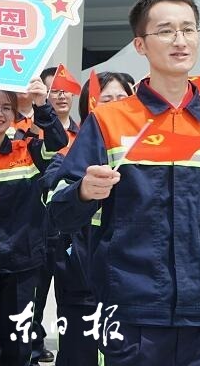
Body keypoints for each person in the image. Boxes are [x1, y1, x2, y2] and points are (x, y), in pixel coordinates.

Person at [48, 0, 200, 365]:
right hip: (131, 313)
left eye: (189, 29)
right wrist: (83, 192)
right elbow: (57, 210)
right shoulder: (109, 121)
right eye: (165, 31)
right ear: (140, 45)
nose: (180, 40)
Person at [0, 82, 67, 366]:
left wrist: (41, 104)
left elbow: (57, 142)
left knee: (19, 342)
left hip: (23, 262)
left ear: (14, 113)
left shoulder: (28, 150)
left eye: (6, 108)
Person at [44, 71, 136, 366]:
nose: (114, 106)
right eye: (105, 99)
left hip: (130, 282)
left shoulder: (145, 157)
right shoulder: (69, 153)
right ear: (89, 107)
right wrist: (83, 190)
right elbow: (54, 200)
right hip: (81, 278)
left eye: (122, 98)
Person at [29, 67, 81, 364]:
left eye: (65, 90)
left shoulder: (85, 132)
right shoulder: (32, 131)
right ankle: (33, 346)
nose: (61, 96)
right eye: (54, 90)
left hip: (70, 230)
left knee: (70, 296)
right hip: (37, 226)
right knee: (34, 295)